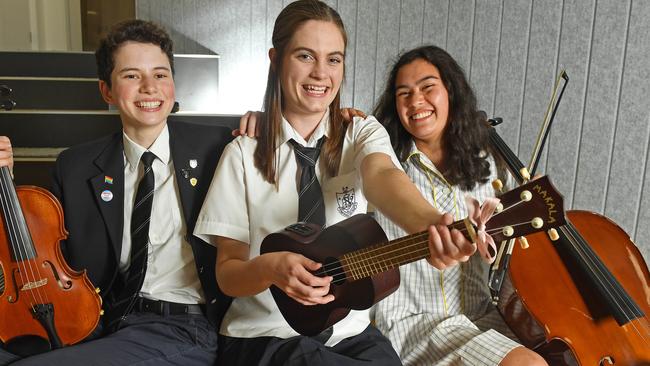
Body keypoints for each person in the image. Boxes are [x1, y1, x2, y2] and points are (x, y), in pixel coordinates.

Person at [193, 1, 480, 365]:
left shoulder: (360, 132)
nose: (320, 74)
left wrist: (432, 225)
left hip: (349, 333)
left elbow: (382, 177)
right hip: (264, 335)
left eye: (333, 59)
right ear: (276, 58)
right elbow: (228, 274)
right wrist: (271, 268)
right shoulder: (242, 153)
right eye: (305, 56)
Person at [0, 19, 232, 365]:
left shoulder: (221, 146)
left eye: (160, 74)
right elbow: (43, 256)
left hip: (181, 325)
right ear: (106, 91)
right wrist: (6, 178)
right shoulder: (75, 166)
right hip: (94, 319)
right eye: (131, 76)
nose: (149, 87)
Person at [370, 45, 547, 365]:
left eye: (427, 88)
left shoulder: (487, 166)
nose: (415, 101)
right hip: (414, 324)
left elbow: (514, 241)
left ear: (450, 92)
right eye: (404, 93)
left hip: (482, 316)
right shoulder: (383, 161)